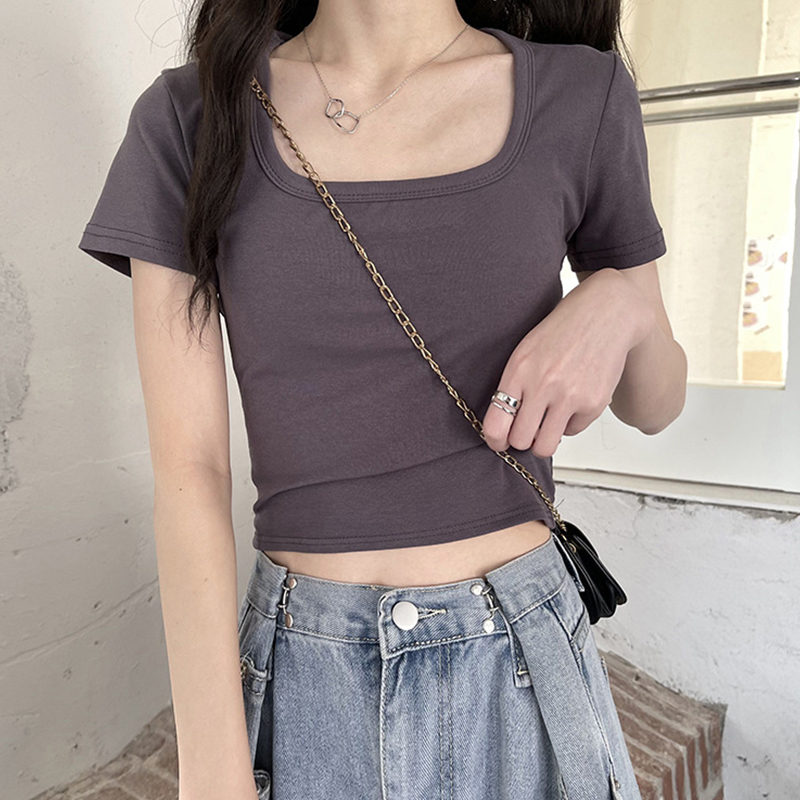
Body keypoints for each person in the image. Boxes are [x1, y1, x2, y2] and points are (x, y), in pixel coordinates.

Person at [78, 1, 687, 799]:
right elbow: (190, 471)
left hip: (525, 671)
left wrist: (623, 300)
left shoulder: (582, 94)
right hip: (307, 679)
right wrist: (210, 770)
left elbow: (655, 403)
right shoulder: (191, 116)